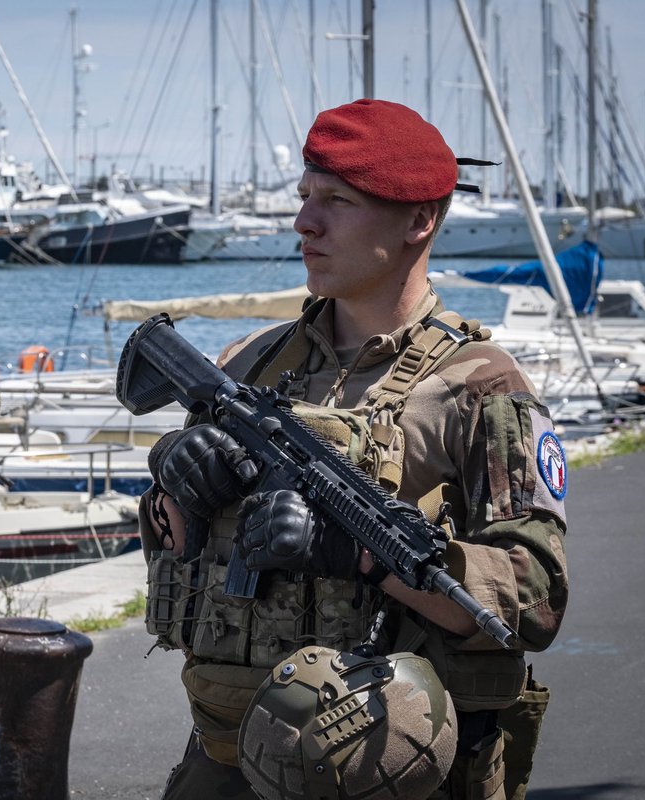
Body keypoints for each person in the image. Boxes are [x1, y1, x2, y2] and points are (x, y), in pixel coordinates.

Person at [140, 99, 569, 799]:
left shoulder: (479, 386)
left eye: (337, 200)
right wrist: (174, 489)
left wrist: (354, 553)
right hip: (227, 754)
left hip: (386, 767)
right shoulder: (248, 362)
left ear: (418, 220)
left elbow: (535, 597)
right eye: (306, 196)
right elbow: (178, 552)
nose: (305, 222)